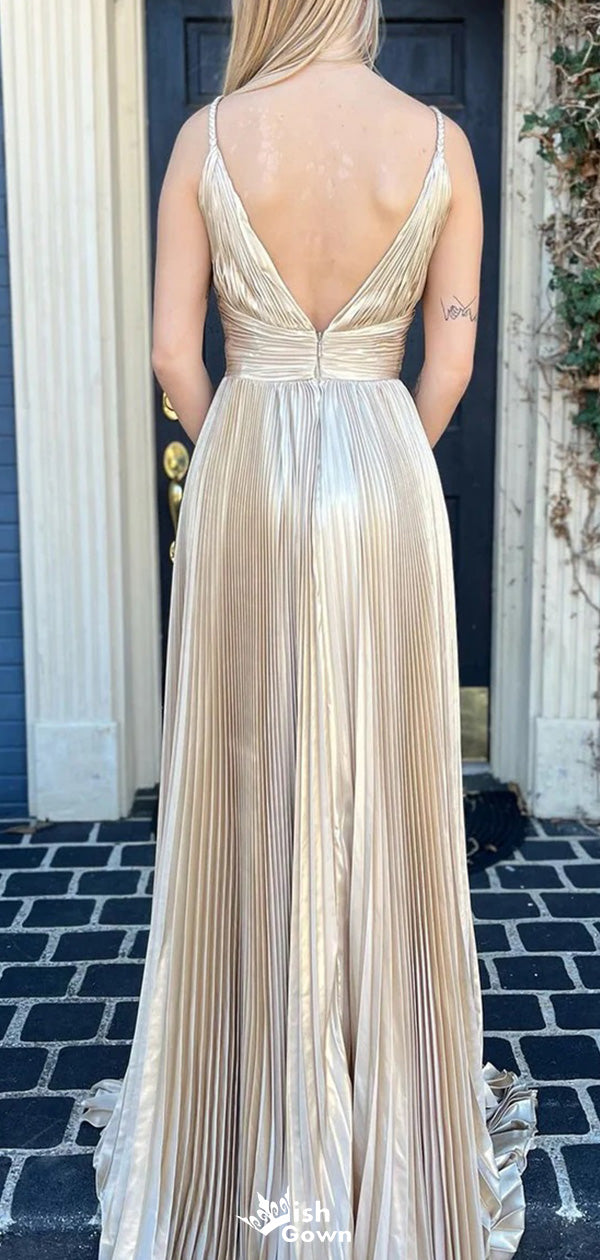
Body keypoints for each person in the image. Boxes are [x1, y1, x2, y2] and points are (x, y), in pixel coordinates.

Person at [81, 1, 538, 1256]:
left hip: (248, 470)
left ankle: (246, 1107)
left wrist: (248, 455)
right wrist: (373, 463)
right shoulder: (439, 144)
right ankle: (378, 1105)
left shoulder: (209, 135)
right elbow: (449, 367)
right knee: (380, 779)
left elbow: (176, 356)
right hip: (386, 474)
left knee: (248, 769)